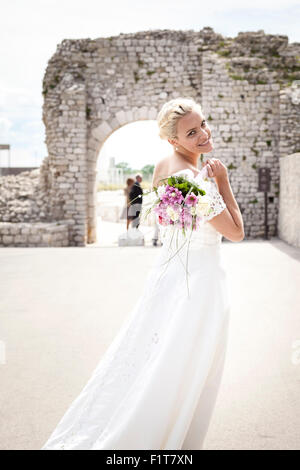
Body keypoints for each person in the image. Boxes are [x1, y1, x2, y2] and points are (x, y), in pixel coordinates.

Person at [41, 97, 244, 450]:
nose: (203, 134)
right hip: (200, 284)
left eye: (203, 124)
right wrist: (223, 182)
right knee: (185, 372)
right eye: (192, 132)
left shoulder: (164, 167)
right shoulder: (189, 179)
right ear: (174, 140)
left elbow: (169, 227)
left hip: (171, 278)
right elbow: (237, 232)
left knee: (157, 362)